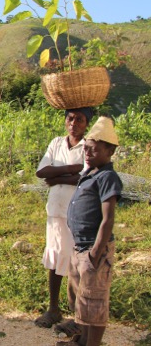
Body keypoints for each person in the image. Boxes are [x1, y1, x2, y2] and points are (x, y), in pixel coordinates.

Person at [56, 116, 122, 346]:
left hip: (94, 248)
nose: (87, 154)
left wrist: (96, 251)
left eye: (93, 150)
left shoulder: (107, 177)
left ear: (110, 151)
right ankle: (81, 340)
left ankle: (92, 342)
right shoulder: (89, 174)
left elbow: (108, 219)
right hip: (80, 246)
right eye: (86, 149)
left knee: (94, 302)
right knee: (79, 299)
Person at [34, 108, 92, 336]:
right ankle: (53, 308)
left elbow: (86, 176)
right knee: (56, 255)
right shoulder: (57, 143)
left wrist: (57, 176)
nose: (74, 123)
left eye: (80, 119)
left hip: (78, 210)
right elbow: (41, 172)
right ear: (65, 120)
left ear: (87, 123)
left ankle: (79, 314)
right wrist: (71, 170)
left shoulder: (89, 145)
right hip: (56, 209)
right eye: (70, 118)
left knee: (78, 260)